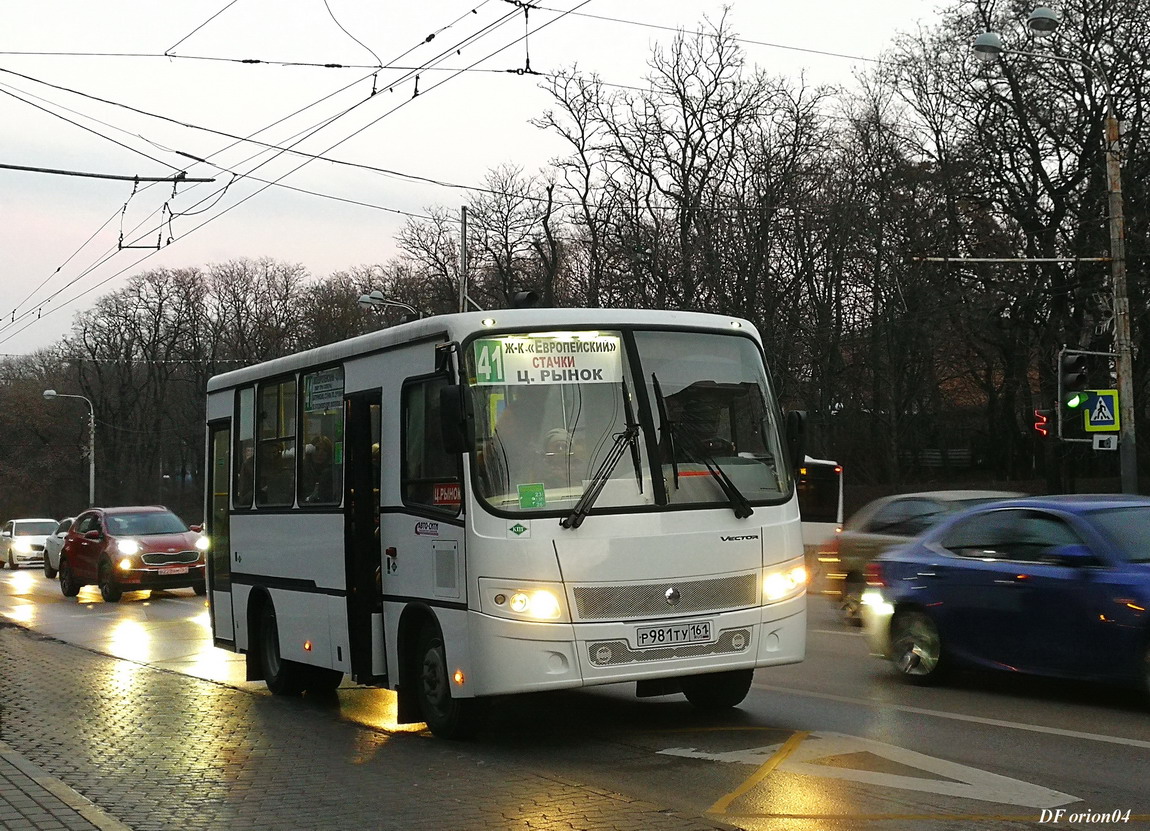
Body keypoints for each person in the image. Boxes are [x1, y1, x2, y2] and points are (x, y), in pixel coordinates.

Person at [304, 436, 334, 503]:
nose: (320, 453)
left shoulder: (332, 474)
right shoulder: (302, 472)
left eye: (325, 450)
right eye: (316, 449)